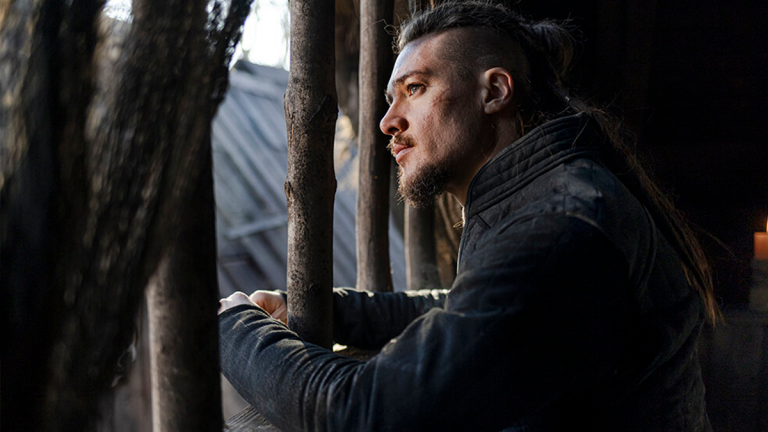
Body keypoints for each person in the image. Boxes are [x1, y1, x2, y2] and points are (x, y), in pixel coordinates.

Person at [219, 2, 717, 430]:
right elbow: (467, 309)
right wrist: (334, 311)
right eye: (391, 99)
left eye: (415, 88)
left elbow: (363, 414)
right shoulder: (550, 199)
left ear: (494, 92)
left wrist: (235, 327)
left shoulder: (560, 230)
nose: (388, 121)